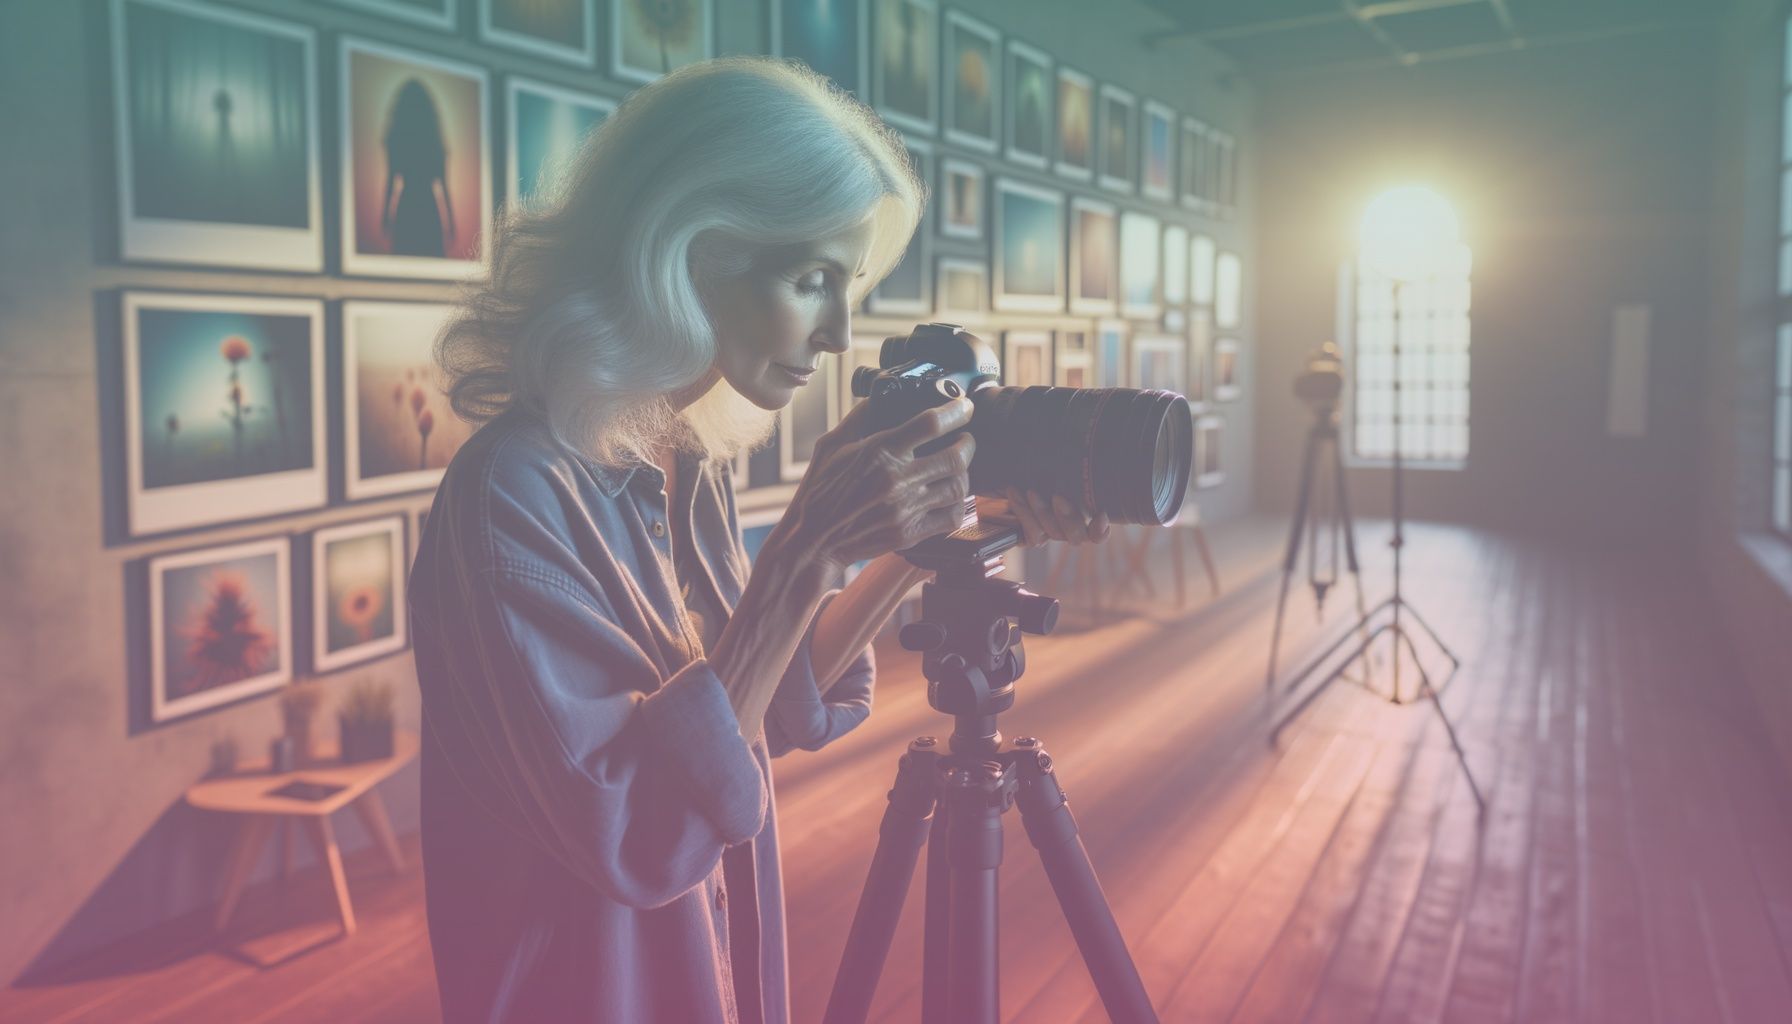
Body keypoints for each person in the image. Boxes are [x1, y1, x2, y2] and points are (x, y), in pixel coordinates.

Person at [410, 57, 1108, 1024]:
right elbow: (637, 835)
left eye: (849, 283)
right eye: (811, 279)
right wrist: (802, 552)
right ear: (687, 257)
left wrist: (925, 536)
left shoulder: (678, 458)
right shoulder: (509, 493)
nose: (838, 335)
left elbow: (775, 709)